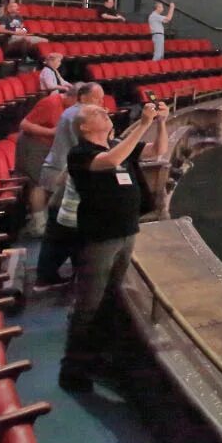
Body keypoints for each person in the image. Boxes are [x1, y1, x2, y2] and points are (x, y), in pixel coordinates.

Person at [57, 100, 166, 393]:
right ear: (84, 127)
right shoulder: (80, 154)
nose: (104, 112)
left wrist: (161, 123)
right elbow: (109, 162)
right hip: (99, 238)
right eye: (96, 113)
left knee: (110, 300)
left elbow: (158, 151)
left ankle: (98, 358)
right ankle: (72, 369)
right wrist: (142, 123)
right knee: (89, 305)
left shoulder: (118, 145)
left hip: (126, 233)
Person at [34, 82, 109, 288]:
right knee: (60, 231)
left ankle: (63, 271)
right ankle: (46, 276)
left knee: (68, 230)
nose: (101, 104)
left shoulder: (74, 113)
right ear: (83, 97)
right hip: (60, 173)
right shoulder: (76, 116)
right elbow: (91, 145)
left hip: (62, 171)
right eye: (97, 99)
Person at [15, 90, 66, 238]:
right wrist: (50, 132)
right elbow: (24, 124)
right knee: (37, 183)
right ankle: (38, 224)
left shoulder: (69, 107)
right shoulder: (50, 103)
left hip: (48, 147)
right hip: (33, 146)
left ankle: (44, 220)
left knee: (47, 182)